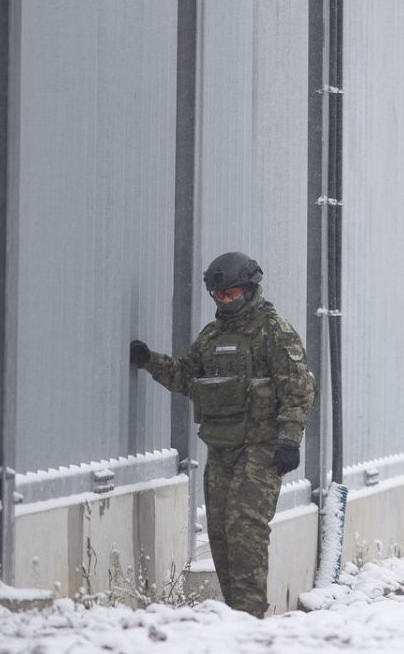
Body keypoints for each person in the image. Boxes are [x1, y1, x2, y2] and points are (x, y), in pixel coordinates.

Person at [130, 251, 316, 618]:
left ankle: (248, 618)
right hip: (222, 447)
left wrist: (289, 439)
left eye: (231, 294)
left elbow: (299, 389)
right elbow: (185, 375)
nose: (225, 301)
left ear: (249, 289)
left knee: (245, 529)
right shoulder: (213, 336)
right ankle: (234, 616)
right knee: (220, 533)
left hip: (261, 449)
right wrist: (149, 360)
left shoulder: (273, 330)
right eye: (219, 296)